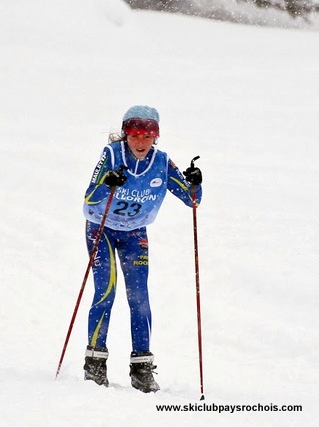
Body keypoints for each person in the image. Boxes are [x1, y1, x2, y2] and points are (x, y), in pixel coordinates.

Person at [81, 105, 203, 393]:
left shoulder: (161, 162)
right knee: (106, 289)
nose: (140, 142)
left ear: (156, 137)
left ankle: (142, 367)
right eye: (134, 134)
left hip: (135, 233)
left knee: (139, 298)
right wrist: (107, 184)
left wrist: (196, 182)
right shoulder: (112, 154)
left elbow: (192, 200)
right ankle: (95, 362)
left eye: (147, 135)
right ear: (125, 134)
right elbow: (89, 197)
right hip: (101, 227)